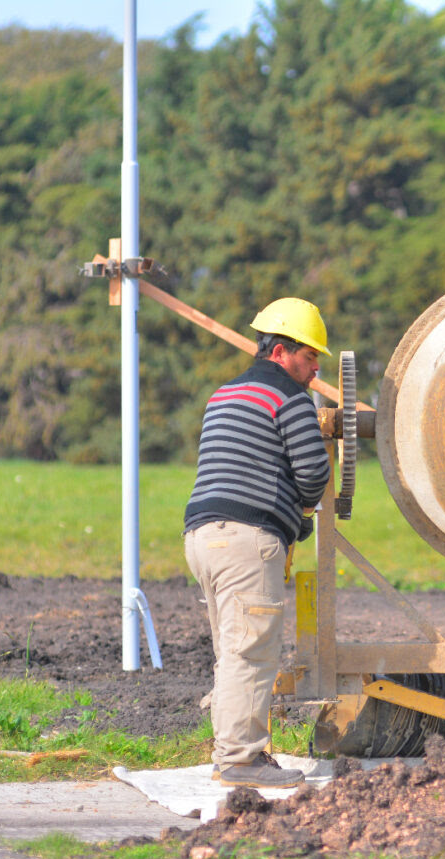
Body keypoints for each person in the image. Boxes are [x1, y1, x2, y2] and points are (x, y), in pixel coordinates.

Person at [183, 297, 332, 788]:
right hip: (248, 541)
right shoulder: (290, 399)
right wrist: (304, 513)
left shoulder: (223, 394)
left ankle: (233, 752)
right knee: (252, 653)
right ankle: (241, 761)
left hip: (204, 536)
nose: (314, 370)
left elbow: (242, 464)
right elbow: (313, 474)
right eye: (310, 357)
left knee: (233, 649)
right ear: (282, 352)